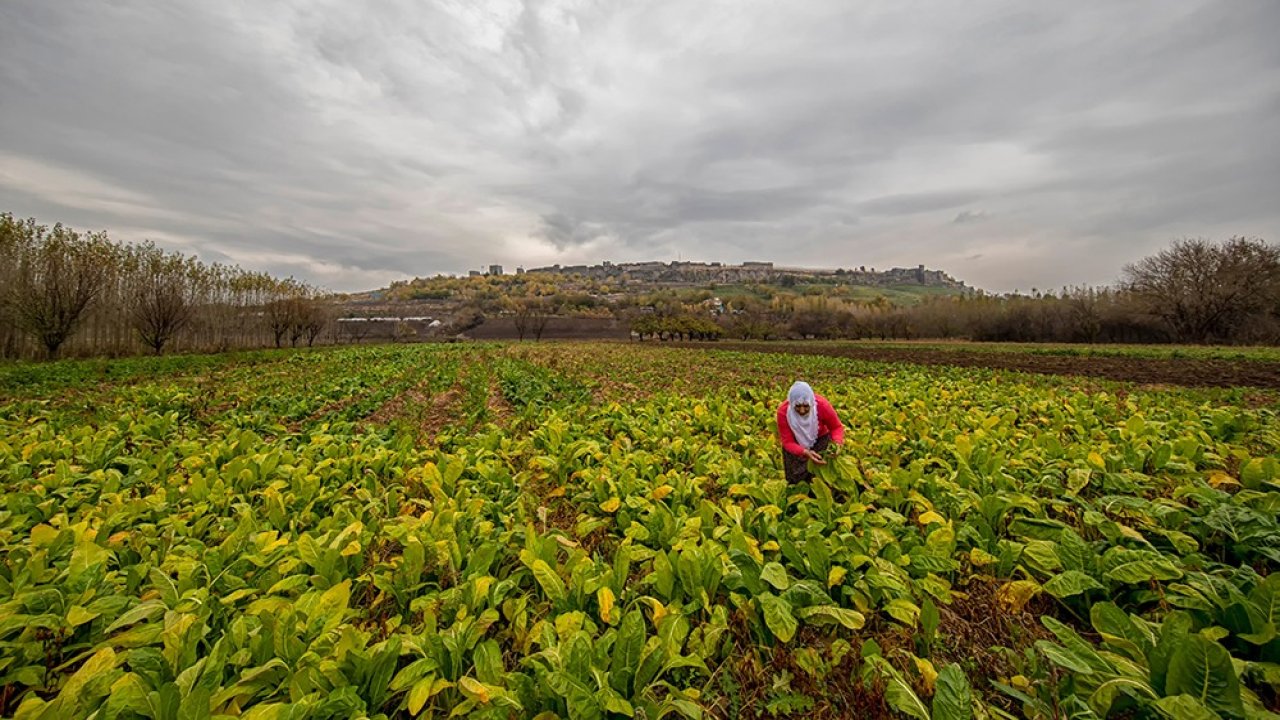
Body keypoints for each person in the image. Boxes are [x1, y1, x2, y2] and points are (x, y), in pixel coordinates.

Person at [777, 380, 845, 484]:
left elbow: (836, 427)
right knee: (795, 479)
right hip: (795, 445)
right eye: (798, 406)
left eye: (806, 406)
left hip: (820, 440)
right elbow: (787, 442)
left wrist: (837, 443)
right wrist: (804, 452)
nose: (802, 410)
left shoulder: (822, 405)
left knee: (821, 477)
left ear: (811, 403)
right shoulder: (783, 412)